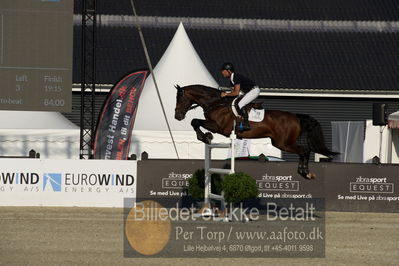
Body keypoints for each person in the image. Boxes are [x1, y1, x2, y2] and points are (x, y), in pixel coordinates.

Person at [220, 62, 260, 131]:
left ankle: (247, 124)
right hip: (247, 92)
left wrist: (226, 94)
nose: (222, 73)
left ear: (229, 71)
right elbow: (234, 92)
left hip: (254, 90)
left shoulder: (236, 77)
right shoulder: (231, 79)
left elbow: (236, 92)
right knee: (237, 101)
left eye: (223, 71)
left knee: (240, 104)